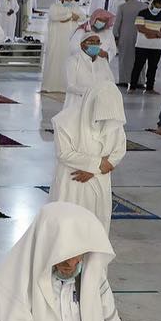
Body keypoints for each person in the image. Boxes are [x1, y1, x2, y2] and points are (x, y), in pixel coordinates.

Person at [49, 81, 126, 230]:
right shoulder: (64, 121)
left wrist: (96, 169)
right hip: (72, 181)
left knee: (95, 229)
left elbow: (119, 149)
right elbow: (63, 153)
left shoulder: (113, 121)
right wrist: (97, 164)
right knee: (68, 231)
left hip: (99, 182)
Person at [41, 0, 83, 93]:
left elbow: (81, 17)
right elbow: (54, 17)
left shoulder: (75, 6)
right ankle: (52, 86)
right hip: (57, 39)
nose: (70, 0)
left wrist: (73, 17)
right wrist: (69, 16)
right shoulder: (55, 7)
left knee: (68, 60)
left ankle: (67, 85)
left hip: (70, 39)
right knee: (56, 60)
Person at [129, 0, 161, 92]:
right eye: (156, 6)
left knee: (153, 67)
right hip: (142, 45)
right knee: (138, 66)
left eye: (160, 7)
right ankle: (132, 87)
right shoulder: (142, 13)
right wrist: (156, 33)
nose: (157, 9)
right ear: (152, 5)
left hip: (156, 47)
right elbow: (140, 28)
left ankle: (150, 88)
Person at [111, 0, 145, 87]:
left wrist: (115, 36)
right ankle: (140, 81)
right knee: (140, 58)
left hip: (125, 36)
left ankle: (124, 80)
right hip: (141, 35)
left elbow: (117, 23)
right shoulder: (144, 6)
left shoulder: (122, 7)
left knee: (124, 58)